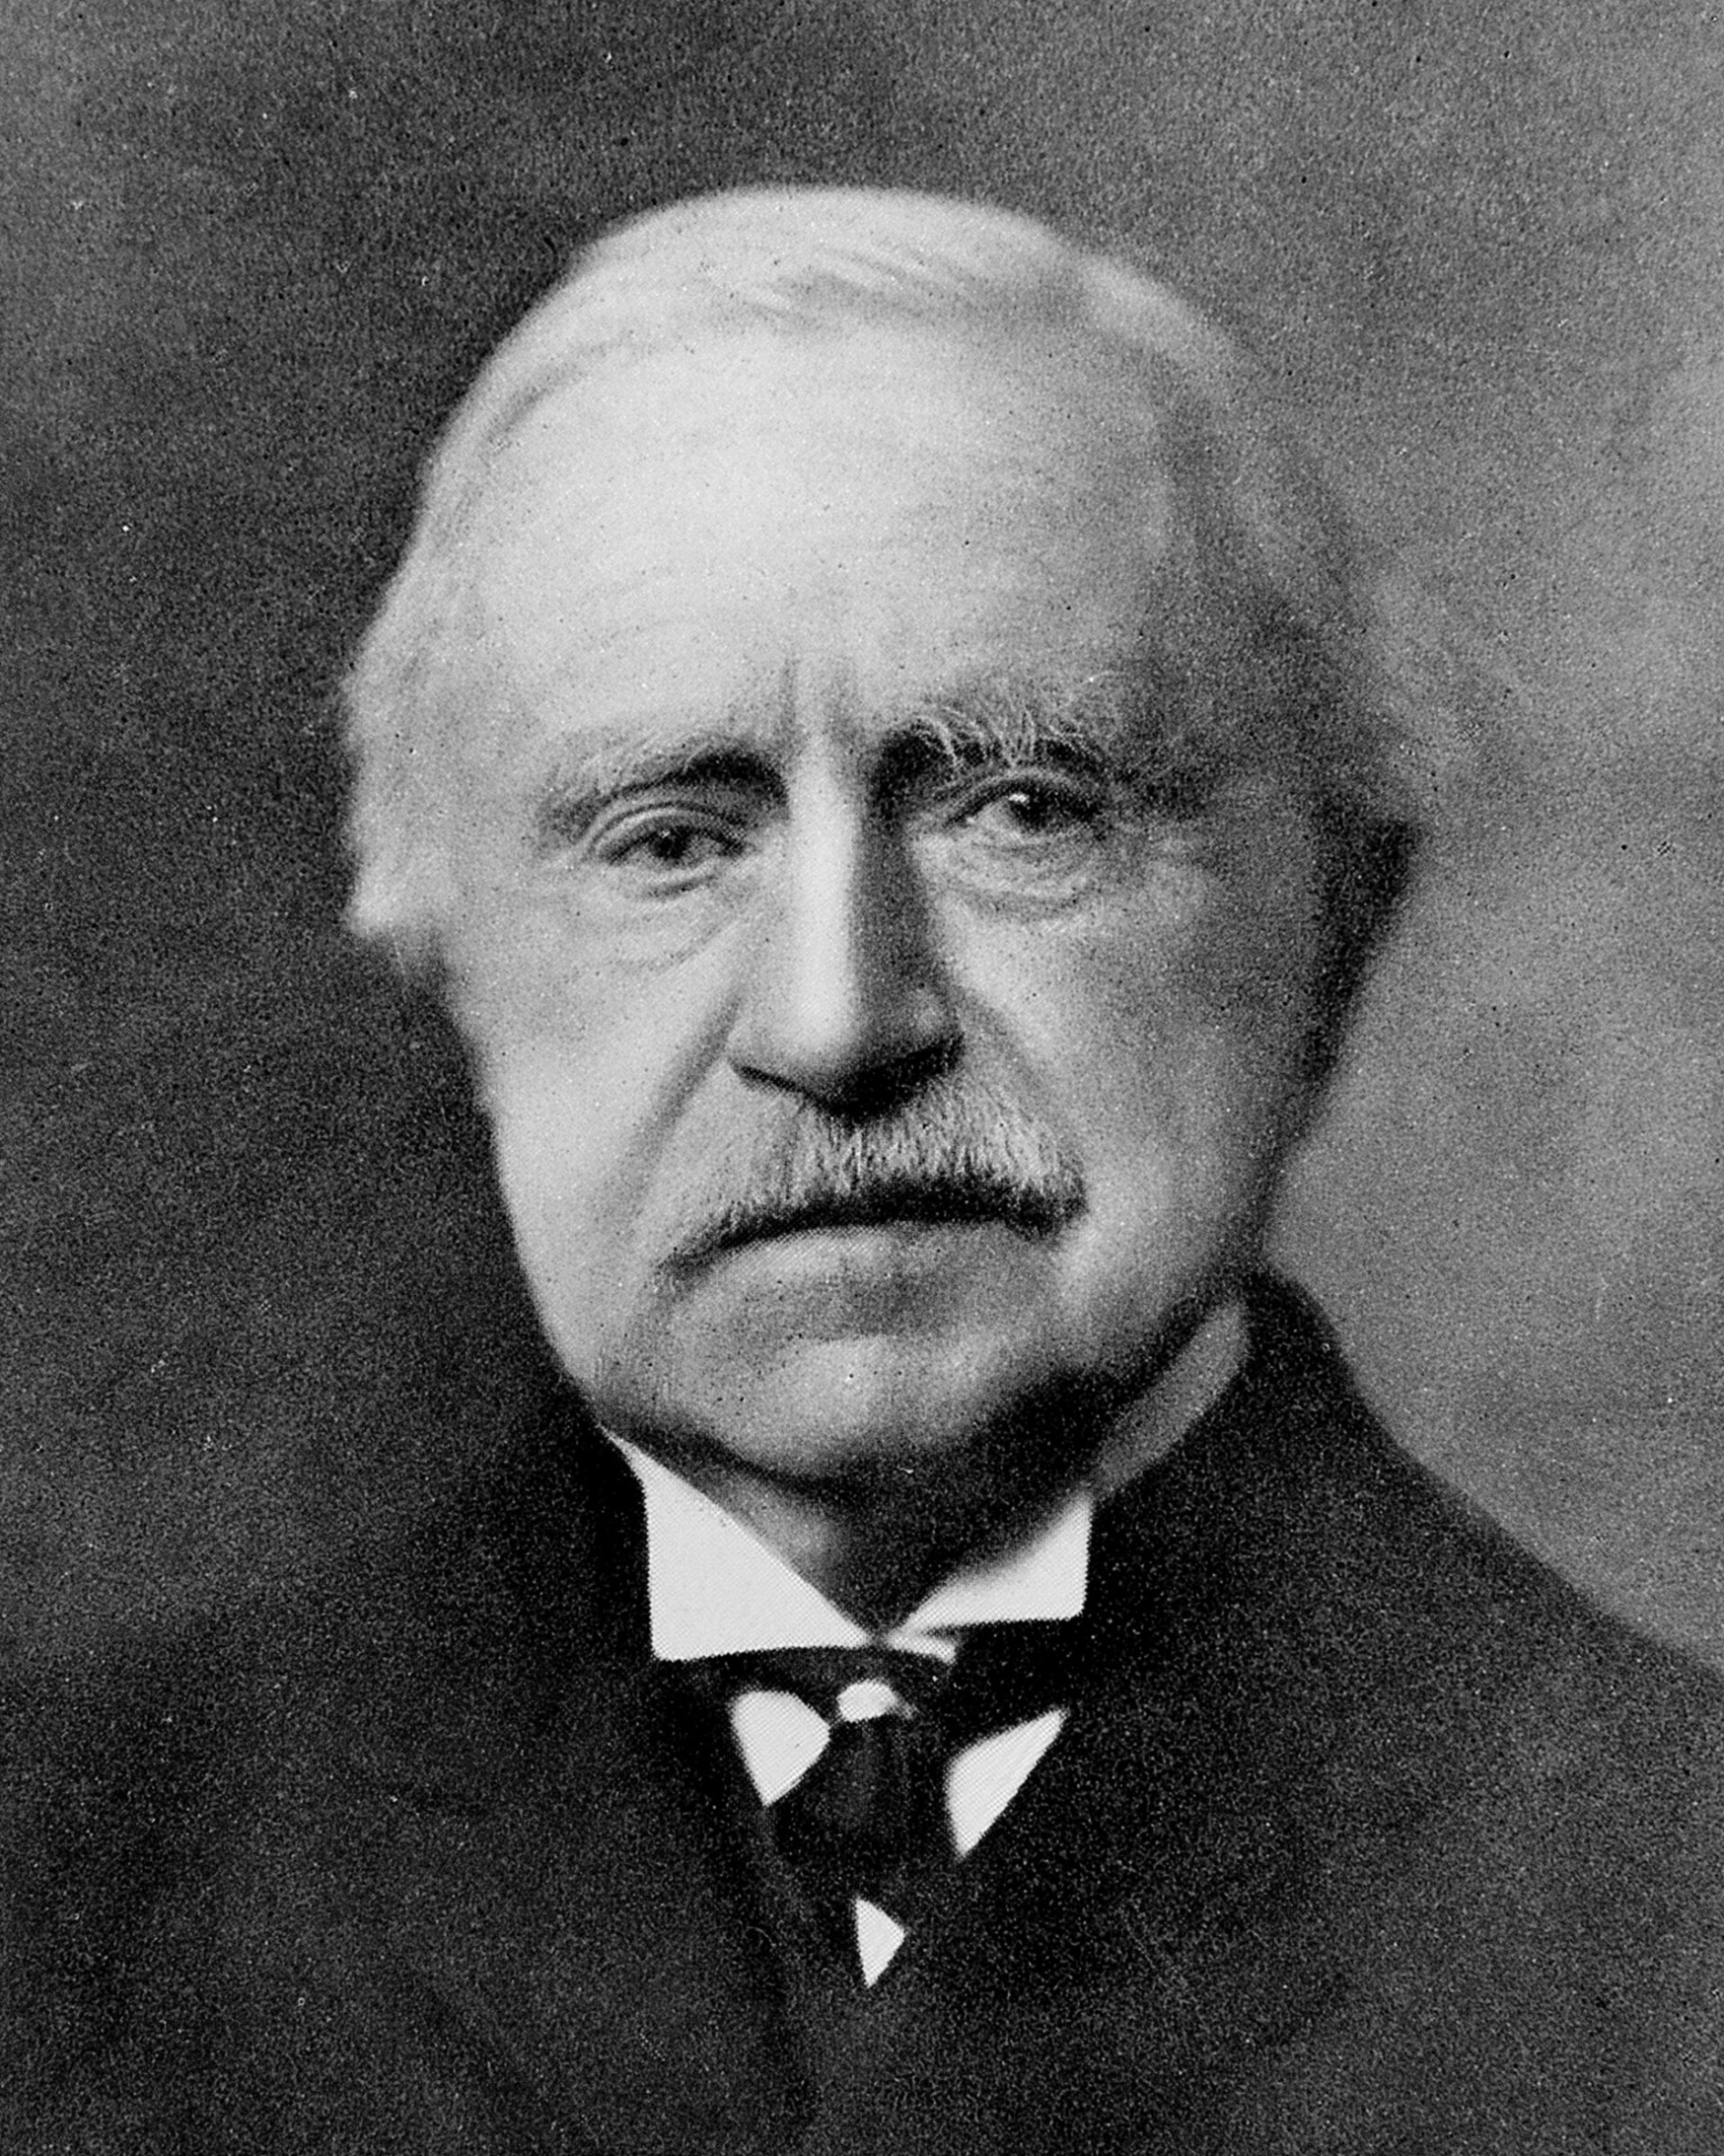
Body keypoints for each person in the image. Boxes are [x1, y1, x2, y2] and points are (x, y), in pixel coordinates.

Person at [28, 184, 1724, 2153]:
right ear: (446, 966)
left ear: (1339, 920)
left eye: (1025, 807)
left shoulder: (1669, 1880)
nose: (838, 1025)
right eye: (669, 840)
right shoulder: (72, 1870)